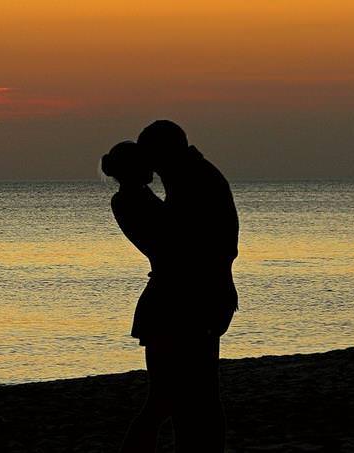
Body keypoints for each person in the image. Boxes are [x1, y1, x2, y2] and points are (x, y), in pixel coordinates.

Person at [104, 122, 238, 453]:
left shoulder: (186, 180)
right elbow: (184, 243)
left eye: (150, 155)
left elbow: (206, 245)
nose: (150, 163)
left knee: (186, 397)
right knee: (178, 398)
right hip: (176, 301)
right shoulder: (148, 194)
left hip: (184, 299)